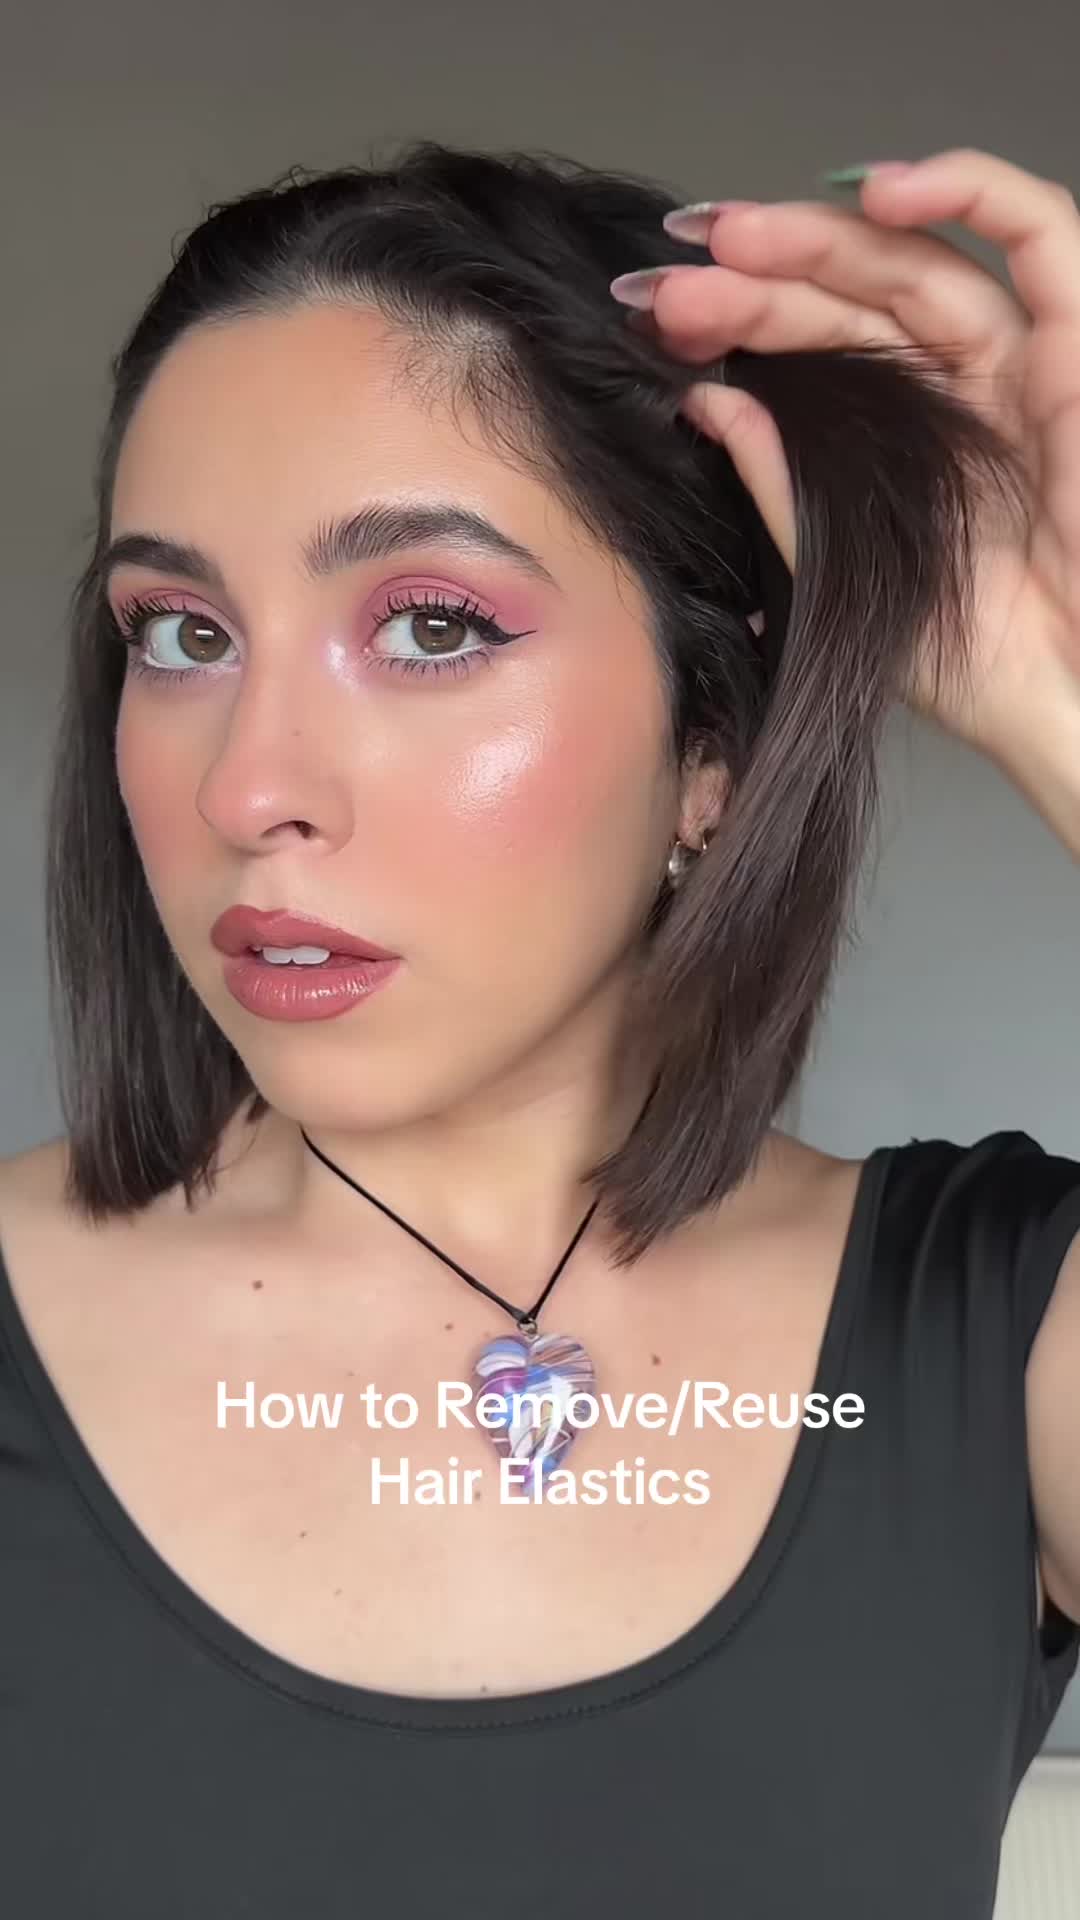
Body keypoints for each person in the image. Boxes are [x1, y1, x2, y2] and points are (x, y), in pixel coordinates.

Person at [1, 136, 1078, 1918]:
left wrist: (1057, 699)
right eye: (179, 635)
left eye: (429, 624)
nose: (249, 786)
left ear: (712, 747)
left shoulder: (991, 1334)